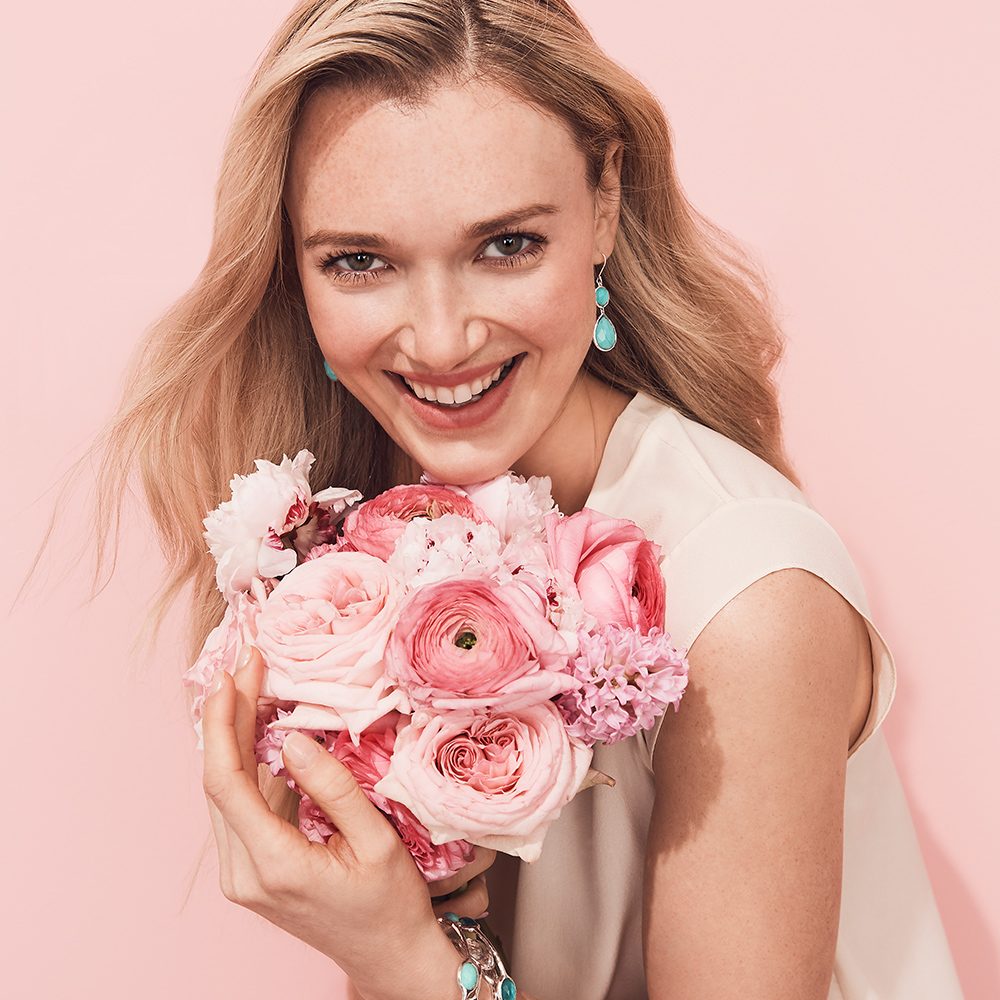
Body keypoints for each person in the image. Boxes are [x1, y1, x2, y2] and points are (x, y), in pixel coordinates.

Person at [92, 1, 963, 998]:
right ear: (294, 267)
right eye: (360, 261)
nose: (440, 339)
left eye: (504, 245)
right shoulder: (362, 543)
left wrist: (396, 957)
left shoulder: (747, 602)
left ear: (606, 200)